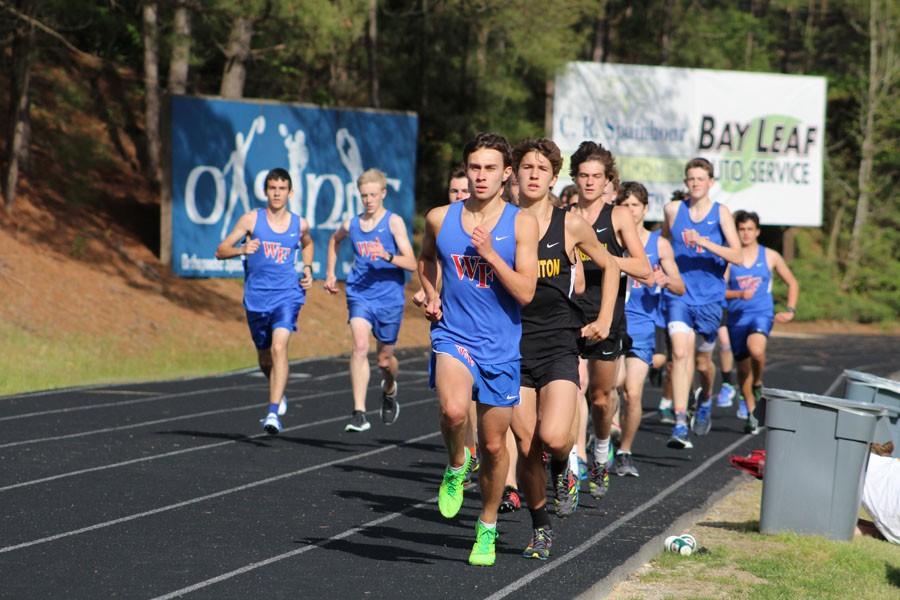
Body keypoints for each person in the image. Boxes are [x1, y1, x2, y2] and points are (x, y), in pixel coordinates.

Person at [418, 132, 538, 567]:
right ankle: (455, 463)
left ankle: (486, 525)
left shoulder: (521, 223)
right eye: (474, 167)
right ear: (465, 171)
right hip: (453, 335)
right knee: (453, 411)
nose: (481, 176)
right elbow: (427, 259)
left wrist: (490, 254)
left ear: (507, 174)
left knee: (493, 447)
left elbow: (526, 292)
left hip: (501, 347)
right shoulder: (439, 218)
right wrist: (430, 292)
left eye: (490, 168)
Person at [510, 138, 619, 560]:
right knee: (525, 443)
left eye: (542, 168)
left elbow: (609, 264)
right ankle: (541, 529)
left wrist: (605, 319)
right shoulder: (502, 222)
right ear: (513, 174)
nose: (534, 174)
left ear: (554, 178)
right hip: (512, 341)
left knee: (555, 437)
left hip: (558, 339)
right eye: (527, 167)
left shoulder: (568, 223)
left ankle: (564, 469)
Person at [570, 142, 651, 499]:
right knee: (572, 387)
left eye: (596, 177)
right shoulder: (565, 215)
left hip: (607, 316)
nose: (589, 183)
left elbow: (644, 267)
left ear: (607, 181)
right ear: (575, 177)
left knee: (601, 399)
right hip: (568, 315)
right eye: (583, 176)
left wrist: (606, 261)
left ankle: (601, 450)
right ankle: (573, 460)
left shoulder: (617, 216)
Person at [215, 168, 314, 434]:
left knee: (279, 347)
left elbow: (307, 244)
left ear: (290, 192)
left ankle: (272, 414)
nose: (277, 193)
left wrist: (307, 269)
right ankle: (277, 392)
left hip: (287, 295)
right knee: (264, 356)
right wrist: (241, 249)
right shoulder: (250, 220)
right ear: (266, 191)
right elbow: (220, 250)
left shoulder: (299, 223)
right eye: (272, 188)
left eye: (282, 189)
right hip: (257, 298)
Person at [325, 169, 417, 432]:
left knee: (385, 360)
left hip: (389, 298)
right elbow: (334, 240)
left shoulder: (393, 223)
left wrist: (387, 255)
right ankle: (359, 413)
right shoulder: (352, 224)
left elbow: (411, 263)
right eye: (364, 195)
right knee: (360, 346)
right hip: (359, 293)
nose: (368, 200)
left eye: (373, 195)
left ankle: (389, 388)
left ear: (383, 194)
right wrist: (331, 273)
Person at [662, 158, 742, 449]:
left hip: (710, 299)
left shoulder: (721, 213)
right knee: (681, 353)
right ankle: (681, 422)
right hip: (679, 294)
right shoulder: (673, 210)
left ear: (710, 182)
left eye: (700, 178)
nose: (695, 183)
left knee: (703, 363)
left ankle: (706, 397)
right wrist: (662, 268)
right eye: (690, 179)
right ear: (686, 182)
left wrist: (705, 243)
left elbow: (737, 256)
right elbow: (666, 243)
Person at [616, 182, 684, 476]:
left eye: (635, 206)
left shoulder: (659, 244)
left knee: (632, 392)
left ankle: (624, 451)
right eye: (625, 205)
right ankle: (605, 436)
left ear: (644, 209)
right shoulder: (612, 241)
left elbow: (680, 287)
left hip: (642, 327)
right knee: (608, 388)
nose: (630, 211)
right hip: (614, 323)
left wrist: (664, 281)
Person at [724, 210, 799, 433]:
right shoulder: (729, 258)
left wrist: (790, 310)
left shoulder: (770, 256)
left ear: (757, 231)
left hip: (761, 313)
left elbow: (792, 283)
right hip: (736, 318)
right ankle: (751, 412)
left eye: (749, 229)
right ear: (736, 231)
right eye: (741, 229)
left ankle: (758, 382)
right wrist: (738, 295)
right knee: (742, 369)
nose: (746, 234)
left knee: (756, 350)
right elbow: (718, 291)